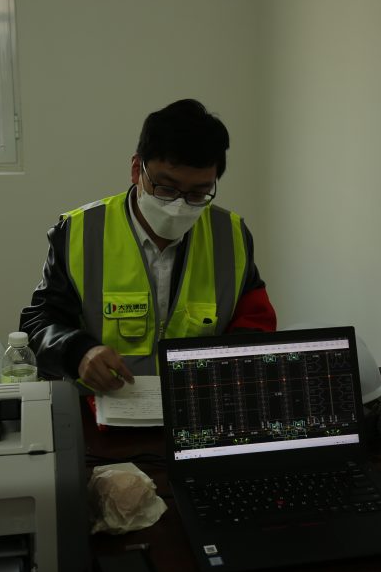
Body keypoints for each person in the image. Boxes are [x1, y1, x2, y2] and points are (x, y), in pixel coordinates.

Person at [19, 98, 276, 393]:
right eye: (166, 188)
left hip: (198, 405)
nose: (178, 206)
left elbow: (256, 321)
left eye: (197, 194)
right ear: (136, 169)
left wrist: (232, 364)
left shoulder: (230, 237)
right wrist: (79, 353)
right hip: (101, 405)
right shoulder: (80, 232)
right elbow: (38, 324)